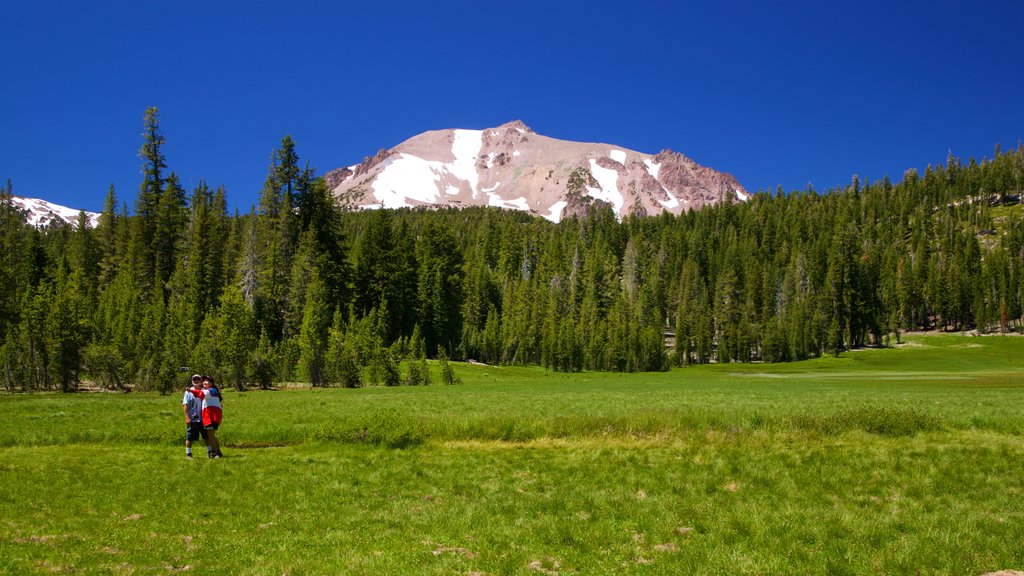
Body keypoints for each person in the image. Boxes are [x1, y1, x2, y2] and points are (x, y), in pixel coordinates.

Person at [182, 374, 207, 460]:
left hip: (204, 418)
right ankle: (188, 453)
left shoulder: (204, 391)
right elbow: (185, 405)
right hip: (193, 418)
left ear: (201, 381)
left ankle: (210, 452)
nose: (196, 381)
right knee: (190, 436)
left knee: (206, 436)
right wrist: (187, 417)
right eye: (194, 379)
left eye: (198, 379)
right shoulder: (188, 391)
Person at [200, 375, 224, 459]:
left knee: (211, 435)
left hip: (211, 416)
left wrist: (191, 390)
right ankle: (218, 452)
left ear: (211, 383)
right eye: (204, 381)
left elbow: (200, 393)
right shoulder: (213, 391)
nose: (204, 382)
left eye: (206, 381)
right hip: (212, 416)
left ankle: (215, 452)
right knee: (211, 435)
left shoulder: (210, 391)